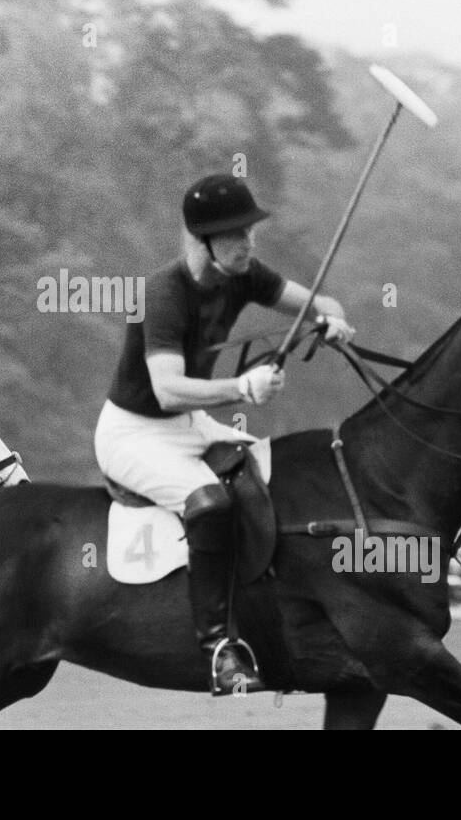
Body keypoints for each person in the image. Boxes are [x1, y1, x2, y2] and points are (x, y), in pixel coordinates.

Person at [94, 174, 355, 694]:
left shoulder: (245, 274)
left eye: (248, 231)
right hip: (134, 433)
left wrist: (334, 322)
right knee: (210, 503)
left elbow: (321, 303)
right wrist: (242, 386)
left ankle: (282, 626)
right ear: (201, 240)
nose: (248, 243)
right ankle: (219, 650)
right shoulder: (162, 294)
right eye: (235, 234)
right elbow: (166, 390)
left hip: (187, 425)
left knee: (272, 481)